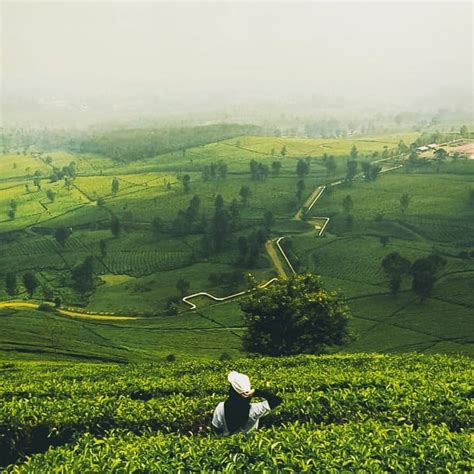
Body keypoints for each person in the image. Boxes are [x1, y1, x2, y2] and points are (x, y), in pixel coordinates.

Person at [212, 370, 282, 435]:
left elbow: (216, 429)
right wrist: (256, 392)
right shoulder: (255, 410)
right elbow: (277, 400)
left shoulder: (220, 408)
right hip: (249, 444)